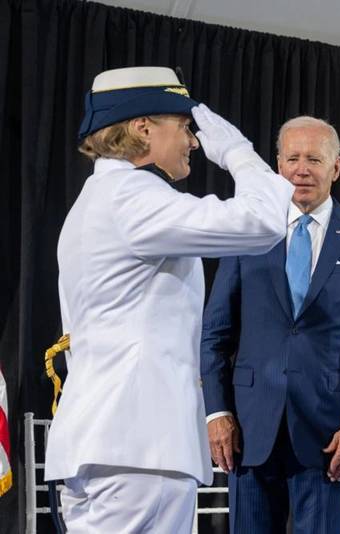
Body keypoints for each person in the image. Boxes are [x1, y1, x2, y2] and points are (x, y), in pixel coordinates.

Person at [44, 66, 295, 532]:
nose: (195, 141)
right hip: (139, 453)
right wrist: (238, 152)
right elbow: (263, 221)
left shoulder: (96, 198)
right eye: (182, 127)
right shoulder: (132, 196)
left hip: (110, 448)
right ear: (142, 129)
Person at [200, 116, 340, 533]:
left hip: (330, 437)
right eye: (292, 158)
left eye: (314, 159)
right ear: (277, 164)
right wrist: (216, 411)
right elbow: (216, 333)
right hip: (249, 433)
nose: (301, 169)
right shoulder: (248, 231)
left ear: (336, 168)